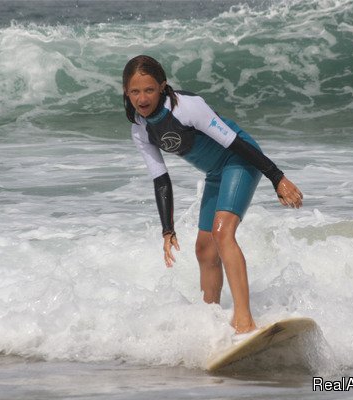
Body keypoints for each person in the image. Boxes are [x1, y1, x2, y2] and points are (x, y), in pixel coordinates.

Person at [122, 55, 303, 334]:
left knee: (222, 234)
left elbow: (235, 142)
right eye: (135, 91)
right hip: (216, 174)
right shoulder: (141, 129)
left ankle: (244, 320)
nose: (142, 98)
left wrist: (277, 177)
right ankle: (212, 321)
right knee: (204, 249)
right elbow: (161, 179)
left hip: (240, 160)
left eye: (149, 90)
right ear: (127, 93)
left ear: (162, 87)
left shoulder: (187, 108)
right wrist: (167, 229)